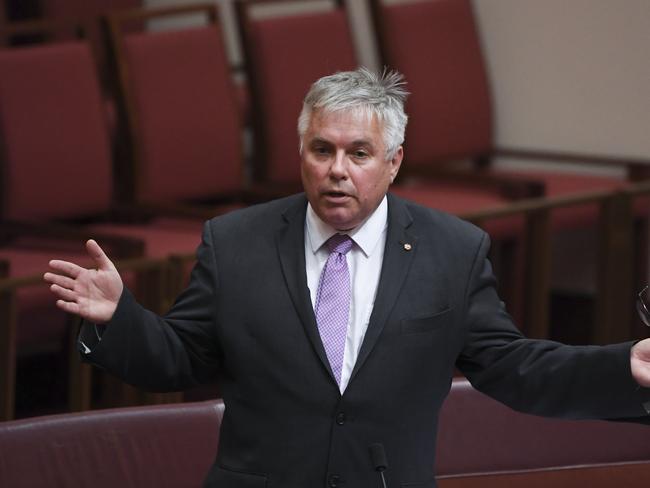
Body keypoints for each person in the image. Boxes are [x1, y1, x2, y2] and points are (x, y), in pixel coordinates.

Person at [45, 68, 650, 488]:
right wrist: (122, 319)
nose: (337, 171)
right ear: (300, 152)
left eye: (359, 153)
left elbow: (516, 369)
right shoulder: (236, 242)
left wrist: (624, 366)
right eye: (321, 150)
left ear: (394, 162)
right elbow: (182, 358)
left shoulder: (452, 250)